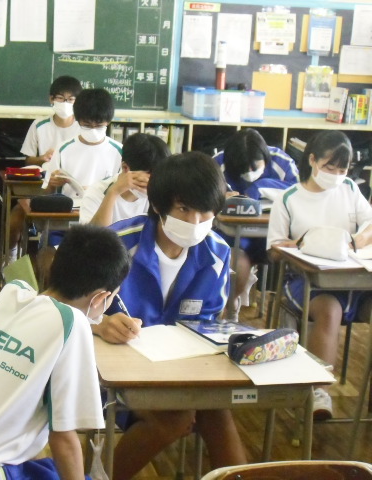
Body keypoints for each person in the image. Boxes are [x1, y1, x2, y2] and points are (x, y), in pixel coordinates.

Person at [94, 152, 247, 479]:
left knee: (216, 409)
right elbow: (64, 309)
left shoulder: (217, 254)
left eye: (205, 211)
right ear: (158, 205)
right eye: (184, 209)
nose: (195, 222)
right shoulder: (116, 244)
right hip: (113, 372)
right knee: (175, 418)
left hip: (182, 370)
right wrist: (100, 324)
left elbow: (209, 326)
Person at [0, 224, 130, 479]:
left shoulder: (13, 292)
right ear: (100, 299)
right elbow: (63, 439)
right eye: (112, 299)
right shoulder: (72, 323)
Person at [267, 130, 372, 420]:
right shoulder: (289, 199)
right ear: (312, 160)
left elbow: (369, 223)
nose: (336, 175)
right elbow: (273, 251)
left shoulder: (349, 189)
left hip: (354, 279)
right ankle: (318, 390)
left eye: (342, 169)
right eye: (329, 167)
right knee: (329, 309)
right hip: (306, 282)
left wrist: (356, 241)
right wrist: (298, 245)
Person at [214, 129, 299, 314]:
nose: (250, 173)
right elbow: (207, 194)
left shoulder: (281, 161)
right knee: (237, 261)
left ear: (265, 157)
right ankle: (229, 308)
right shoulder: (220, 162)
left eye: (255, 168)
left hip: (270, 235)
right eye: (244, 170)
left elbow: (300, 191)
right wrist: (222, 197)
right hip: (233, 234)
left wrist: (260, 186)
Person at [5, 76, 82, 264]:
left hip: (73, 186)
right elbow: (28, 159)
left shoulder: (83, 127)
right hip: (43, 184)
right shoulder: (39, 125)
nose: (65, 104)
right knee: (18, 213)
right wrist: (42, 158)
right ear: (51, 99)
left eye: (71, 99)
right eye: (60, 98)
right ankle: (11, 254)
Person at [42, 88, 122, 201]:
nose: (93, 130)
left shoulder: (120, 151)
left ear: (108, 121)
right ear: (78, 120)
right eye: (87, 125)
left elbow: (125, 194)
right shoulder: (63, 149)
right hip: (70, 210)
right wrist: (52, 183)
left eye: (99, 126)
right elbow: (46, 192)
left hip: (104, 210)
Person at [79, 132, 170, 226]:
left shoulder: (162, 191)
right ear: (125, 168)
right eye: (148, 177)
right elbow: (94, 234)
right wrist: (113, 193)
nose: (154, 183)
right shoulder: (96, 193)